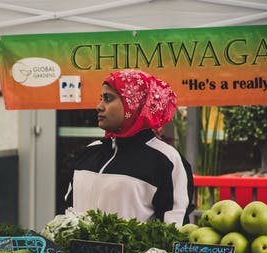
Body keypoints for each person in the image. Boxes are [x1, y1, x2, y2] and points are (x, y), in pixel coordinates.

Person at [65, 69, 194, 226]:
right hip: (78, 251)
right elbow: (68, 212)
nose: (99, 106)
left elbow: (174, 227)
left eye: (108, 98)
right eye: (101, 98)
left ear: (134, 103)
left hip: (138, 252)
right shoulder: (90, 152)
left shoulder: (166, 160)